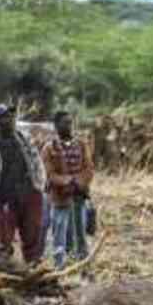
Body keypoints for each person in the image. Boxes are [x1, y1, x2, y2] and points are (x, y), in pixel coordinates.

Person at [0, 104, 47, 269]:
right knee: (4, 238)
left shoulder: (24, 139)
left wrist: (39, 185)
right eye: (6, 117)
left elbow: (37, 162)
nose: (11, 120)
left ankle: (33, 267)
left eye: (12, 117)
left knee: (33, 233)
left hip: (29, 194)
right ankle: (5, 269)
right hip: (4, 198)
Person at [40, 111, 94, 270]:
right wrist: (68, 181)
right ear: (56, 126)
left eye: (70, 122)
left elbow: (89, 168)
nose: (69, 126)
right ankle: (59, 266)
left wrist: (80, 182)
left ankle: (83, 264)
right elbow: (50, 174)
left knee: (80, 231)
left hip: (79, 194)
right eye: (65, 123)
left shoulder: (81, 145)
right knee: (59, 231)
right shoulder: (49, 148)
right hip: (59, 196)